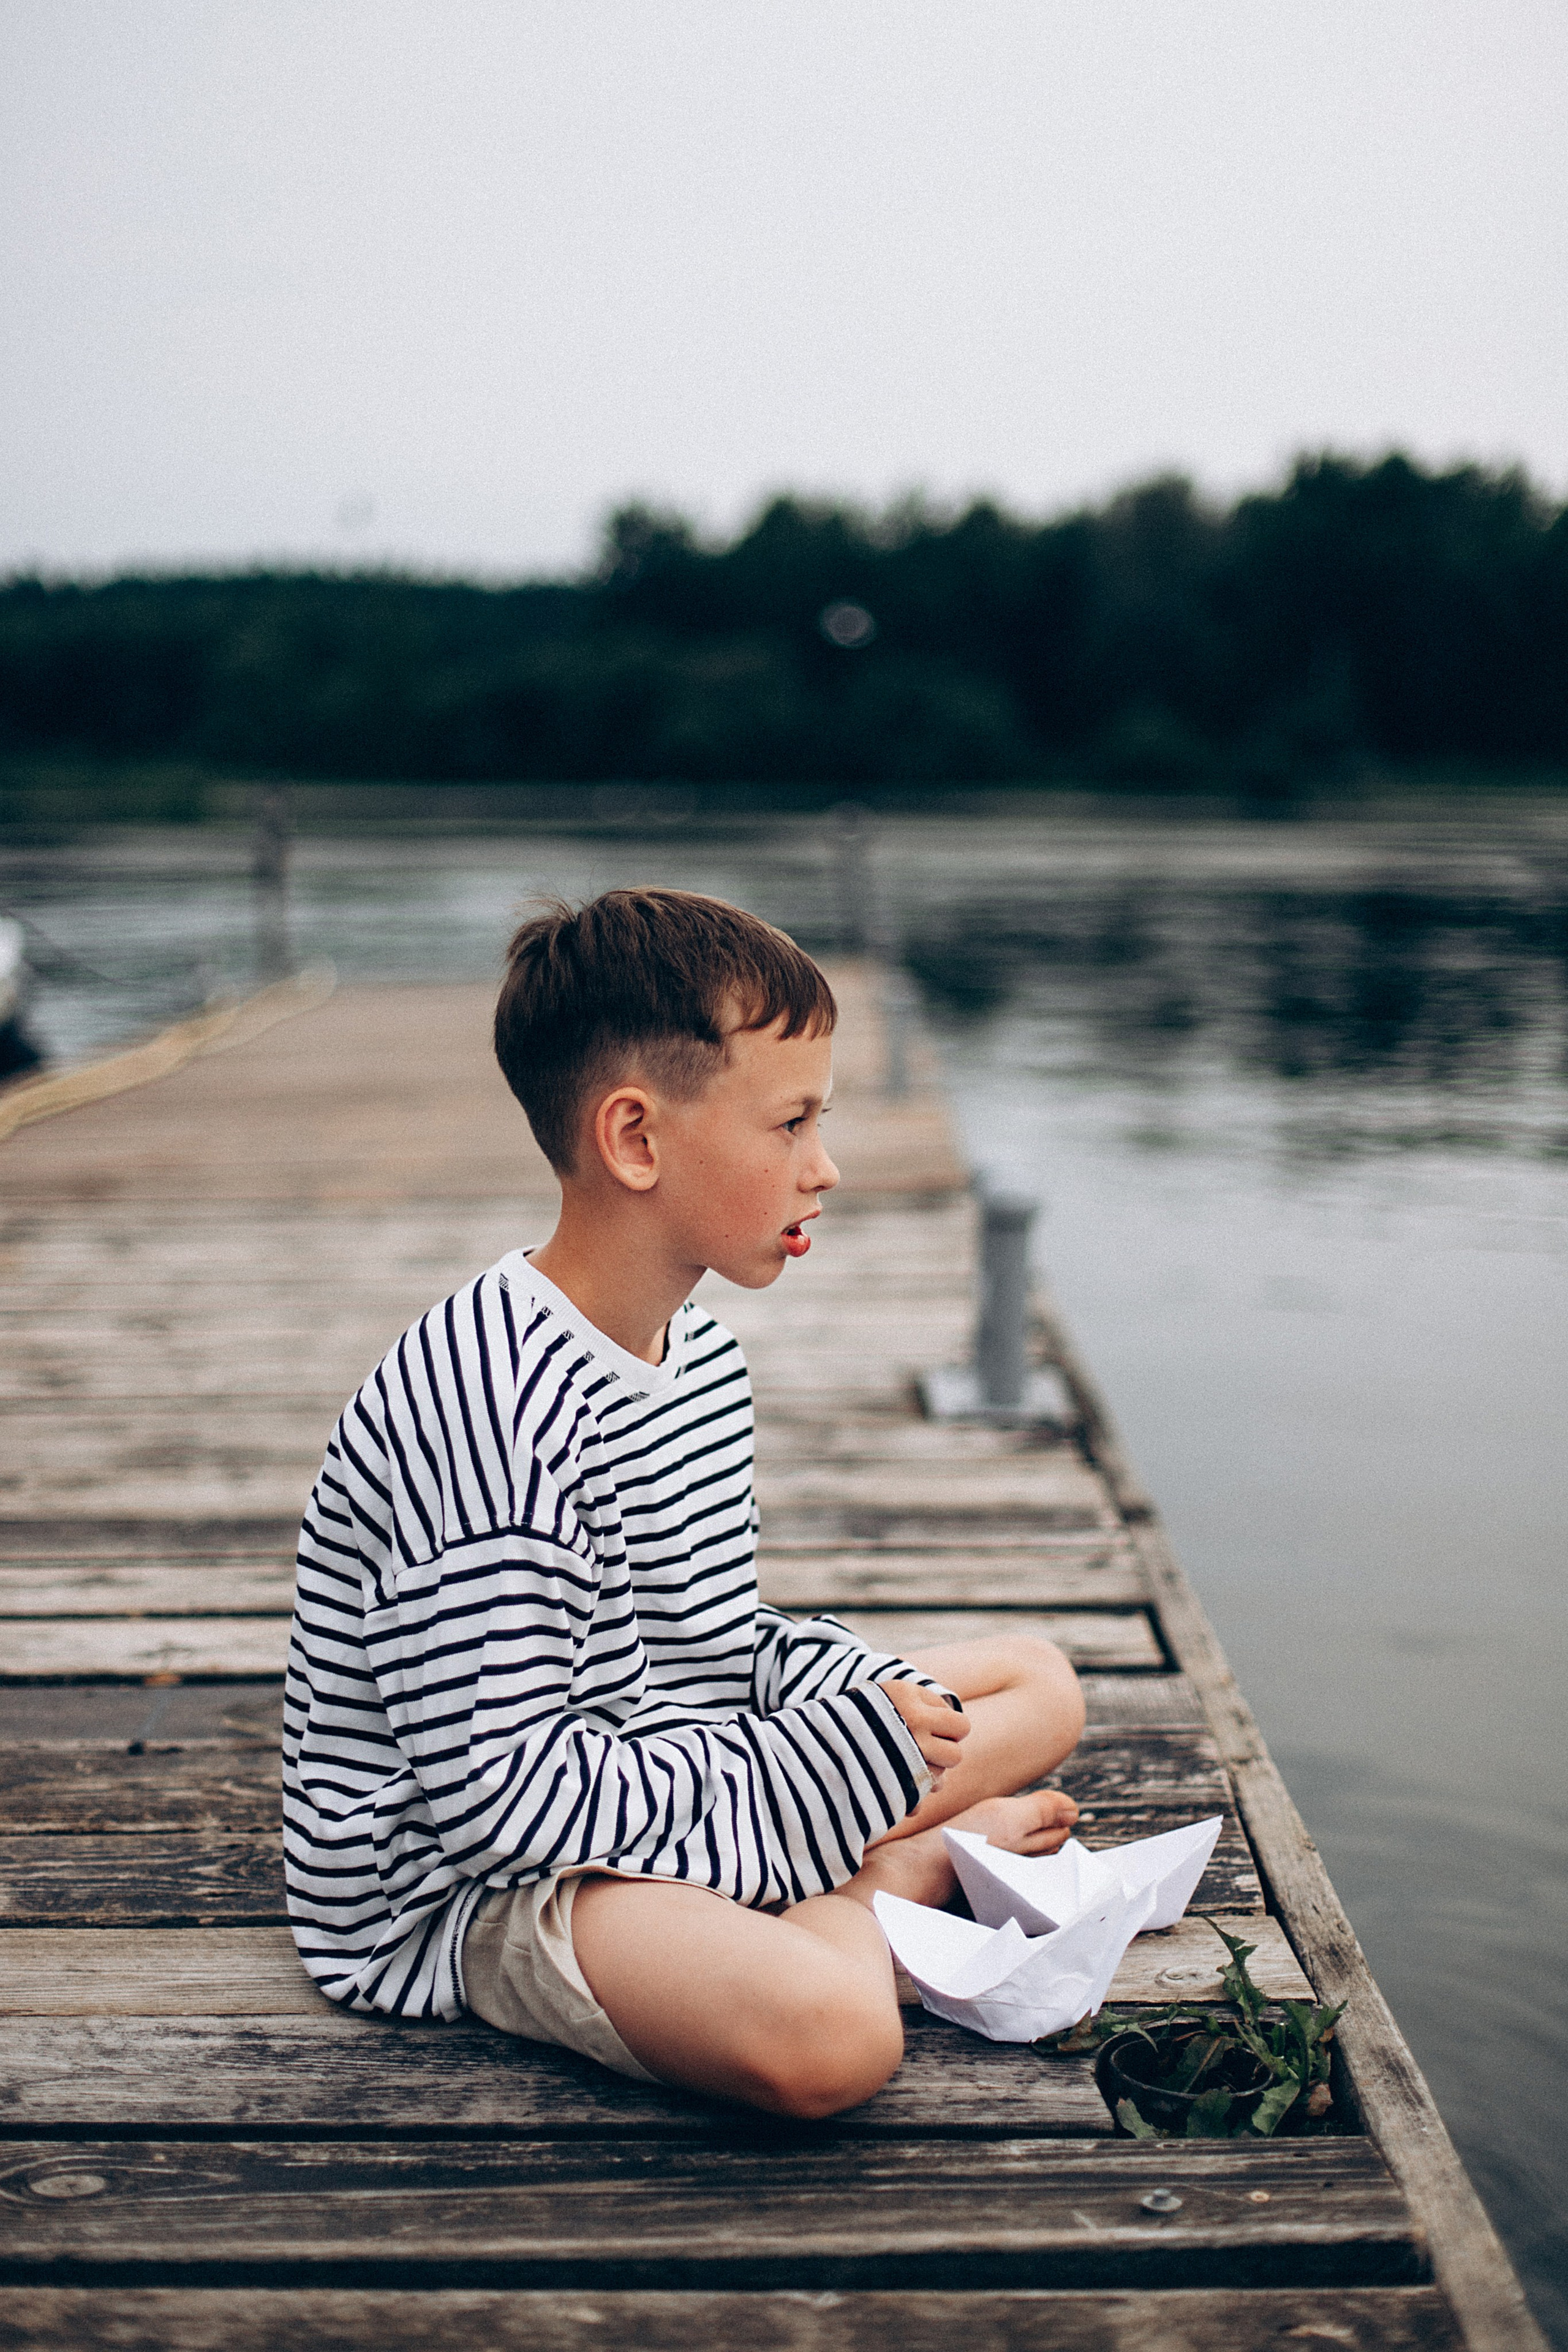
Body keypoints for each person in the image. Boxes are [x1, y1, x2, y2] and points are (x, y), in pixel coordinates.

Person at [284, 888, 1086, 2118]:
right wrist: (827, 1778)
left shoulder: (695, 1355)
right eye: (791, 1123)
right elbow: (503, 1802)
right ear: (637, 1140)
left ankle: (817, 1858)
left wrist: (842, 1707)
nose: (825, 1168)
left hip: (654, 1760)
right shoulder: (490, 1415)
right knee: (828, 2040)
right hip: (470, 1880)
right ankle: (875, 1891)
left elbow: (704, 1639)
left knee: (1036, 1682)